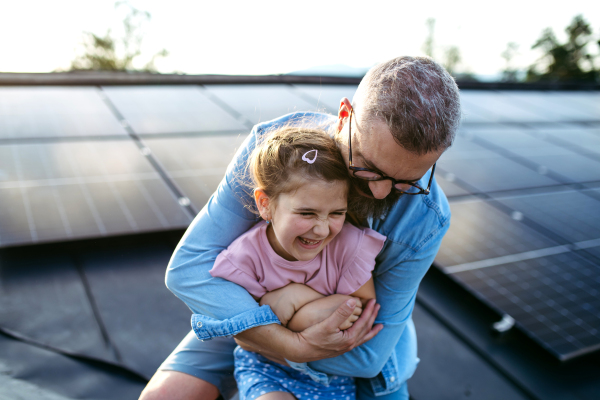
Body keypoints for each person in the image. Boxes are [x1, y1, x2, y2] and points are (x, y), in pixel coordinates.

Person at [139, 56, 461, 400]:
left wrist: (271, 335)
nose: (380, 191)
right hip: (260, 308)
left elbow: (368, 356)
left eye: (406, 182)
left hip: (342, 341)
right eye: (368, 167)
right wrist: (291, 342)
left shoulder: (427, 219)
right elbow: (189, 269)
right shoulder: (277, 151)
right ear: (344, 117)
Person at [211, 126, 386, 400]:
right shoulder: (243, 259)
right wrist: (314, 318)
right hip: (268, 366)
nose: (321, 229)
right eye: (306, 213)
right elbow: (243, 336)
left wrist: (292, 301)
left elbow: (361, 312)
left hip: (332, 374)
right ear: (265, 204)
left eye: (337, 213)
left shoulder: (348, 247)